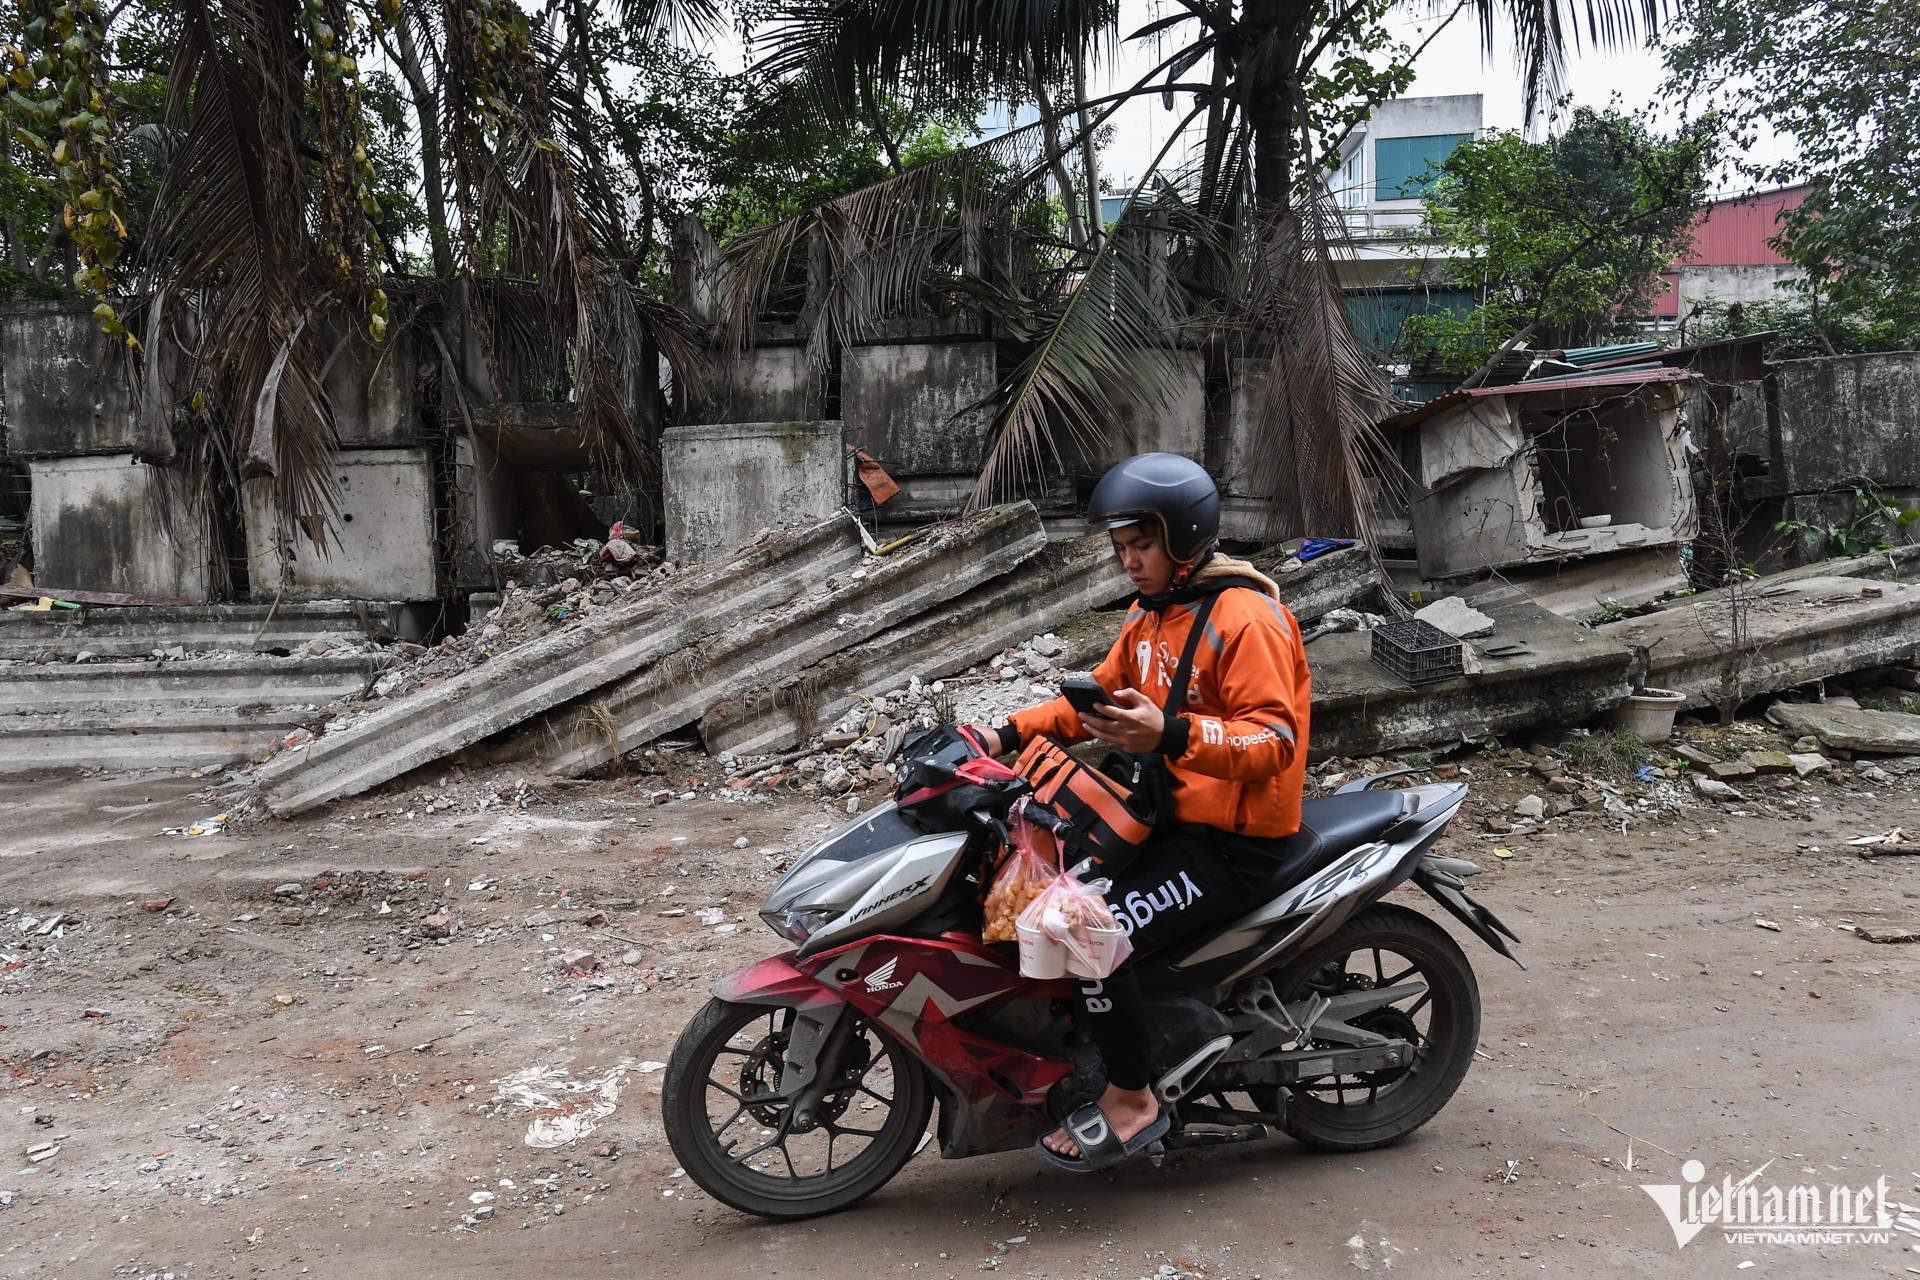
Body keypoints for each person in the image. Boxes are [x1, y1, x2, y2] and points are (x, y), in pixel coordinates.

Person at [970, 452, 1311, 1171]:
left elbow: (1274, 743)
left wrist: (1173, 733)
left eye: (1143, 546)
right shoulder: (1150, 620)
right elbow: (1087, 699)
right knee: (1045, 894)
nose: (1130, 563)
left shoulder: (1248, 621)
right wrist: (996, 734)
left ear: (1186, 537)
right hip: (1170, 822)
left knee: (1089, 931)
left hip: (1232, 844)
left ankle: (1132, 1098)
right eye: (1122, 549)